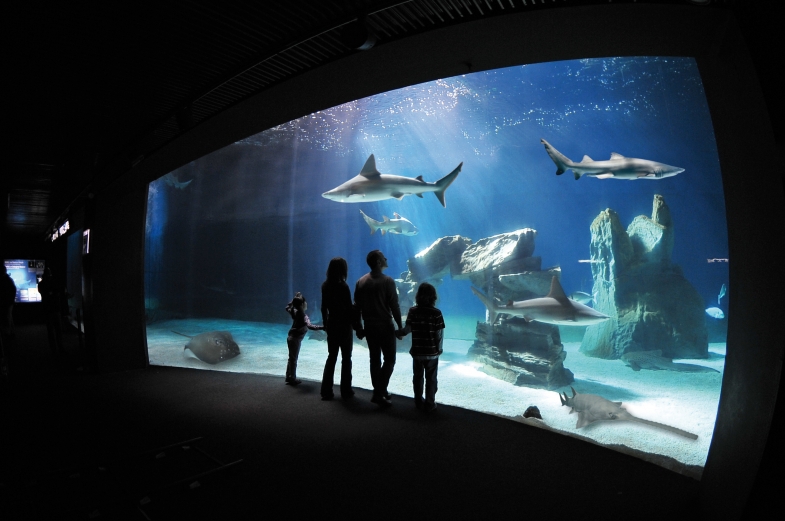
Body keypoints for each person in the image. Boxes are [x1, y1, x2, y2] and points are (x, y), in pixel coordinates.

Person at [353, 250, 403, 407]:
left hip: (369, 327)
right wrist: (400, 327)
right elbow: (394, 306)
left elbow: (356, 308)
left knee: (374, 360)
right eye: (383, 257)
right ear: (378, 262)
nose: (386, 258)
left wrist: (358, 328)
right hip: (385, 326)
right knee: (390, 359)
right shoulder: (388, 281)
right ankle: (379, 391)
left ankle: (380, 390)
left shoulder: (360, 281)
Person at [397, 282, 445, 412]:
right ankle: (430, 403)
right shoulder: (437, 313)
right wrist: (439, 349)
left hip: (417, 352)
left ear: (418, 296)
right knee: (431, 378)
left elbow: (407, 329)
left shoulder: (413, 311)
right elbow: (439, 334)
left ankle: (418, 401)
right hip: (432, 353)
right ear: (433, 297)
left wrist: (398, 333)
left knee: (417, 377)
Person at [319, 257, 355, 400]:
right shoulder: (344, 286)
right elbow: (348, 308)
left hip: (332, 323)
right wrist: (354, 323)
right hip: (344, 325)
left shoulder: (325, 285)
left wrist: (325, 323)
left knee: (331, 357)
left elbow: (323, 307)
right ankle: (346, 391)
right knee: (346, 358)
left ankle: (326, 391)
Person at [284, 292, 323, 386]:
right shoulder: (304, 316)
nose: (307, 304)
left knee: (291, 358)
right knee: (293, 359)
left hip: (290, 338)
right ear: (302, 304)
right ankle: (292, 378)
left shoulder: (295, 312)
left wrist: (293, 299)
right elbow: (311, 326)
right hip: (296, 339)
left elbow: (287, 308)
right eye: (305, 302)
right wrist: (323, 327)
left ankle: (288, 377)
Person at [38, 268, 66, 354]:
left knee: (51, 330)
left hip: (47, 309)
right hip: (55, 308)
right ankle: (60, 348)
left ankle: (54, 349)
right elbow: (57, 292)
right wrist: (52, 293)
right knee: (58, 329)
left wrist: (50, 293)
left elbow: (45, 293)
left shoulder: (41, 284)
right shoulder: (53, 282)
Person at [2, 269, 16, 338]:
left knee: (8, 316)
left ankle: (8, 333)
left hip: (8, 302)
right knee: (9, 316)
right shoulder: (8, 279)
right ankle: (12, 332)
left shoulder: (7, 279)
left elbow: (13, 290)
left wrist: (11, 300)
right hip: (9, 301)